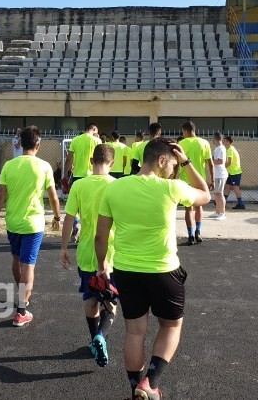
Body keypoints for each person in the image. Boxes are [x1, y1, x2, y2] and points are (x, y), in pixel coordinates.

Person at [95, 138, 211, 399]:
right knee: (171, 326)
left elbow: (101, 236)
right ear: (161, 160)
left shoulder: (114, 187)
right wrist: (187, 162)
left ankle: (135, 387)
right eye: (172, 165)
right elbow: (205, 194)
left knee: (134, 331)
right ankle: (151, 382)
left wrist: (103, 265)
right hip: (164, 271)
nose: (173, 170)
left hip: (126, 271)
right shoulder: (171, 188)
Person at [0, 126, 62, 327]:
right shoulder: (44, 166)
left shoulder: (9, 165)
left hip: (13, 222)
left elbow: (0, 197)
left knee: (16, 259)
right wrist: (57, 217)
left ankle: (22, 296)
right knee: (28, 264)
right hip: (33, 224)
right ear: (38, 144)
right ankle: (21, 310)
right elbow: (53, 197)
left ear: (20, 143)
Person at [60, 144, 118, 367]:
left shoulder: (79, 185)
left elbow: (69, 218)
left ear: (91, 161)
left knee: (90, 297)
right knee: (110, 300)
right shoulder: (116, 185)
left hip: (86, 252)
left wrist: (64, 248)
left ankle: (94, 338)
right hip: (111, 253)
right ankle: (101, 336)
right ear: (112, 163)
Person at [178, 121, 214, 245]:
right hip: (200, 180)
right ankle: (198, 231)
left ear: (186, 131)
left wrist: (174, 177)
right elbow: (210, 163)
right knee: (199, 207)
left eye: (183, 132)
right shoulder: (204, 143)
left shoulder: (181, 143)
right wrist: (212, 180)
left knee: (188, 209)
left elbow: (177, 162)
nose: (182, 134)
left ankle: (190, 235)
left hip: (185, 180)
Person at [224, 136, 245, 210]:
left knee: (235, 188)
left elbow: (229, 162)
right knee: (227, 186)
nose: (223, 142)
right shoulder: (231, 148)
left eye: (225, 141)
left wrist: (222, 168)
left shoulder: (230, 150)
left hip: (235, 172)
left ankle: (241, 204)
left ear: (228, 142)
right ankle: (223, 202)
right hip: (231, 172)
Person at [211, 132, 228, 220]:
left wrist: (210, 162)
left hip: (220, 174)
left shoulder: (220, 148)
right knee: (216, 193)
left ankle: (222, 213)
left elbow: (220, 161)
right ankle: (218, 212)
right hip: (217, 174)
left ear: (215, 139)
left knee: (219, 194)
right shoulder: (218, 148)